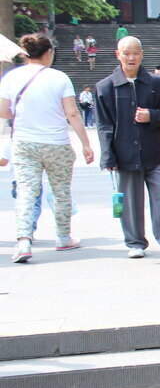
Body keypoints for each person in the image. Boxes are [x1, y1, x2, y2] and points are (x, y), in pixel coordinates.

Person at [0, 33, 94, 262]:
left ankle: (23, 240)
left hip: (24, 143)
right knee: (61, 191)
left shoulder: (11, 78)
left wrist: (19, 115)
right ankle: (63, 237)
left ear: (26, 53)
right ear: (49, 52)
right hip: (56, 143)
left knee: (26, 191)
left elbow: (3, 111)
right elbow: (72, 113)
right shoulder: (59, 78)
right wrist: (85, 144)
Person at [96, 36, 160, 258]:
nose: (131, 57)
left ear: (142, 55)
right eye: (126, 53)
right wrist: (108, 156)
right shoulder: (105, 88)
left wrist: (151, 116)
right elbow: (104, 126)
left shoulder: (158, 84)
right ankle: (135, 242)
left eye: (135, 53)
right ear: (118, 55)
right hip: (124, 153)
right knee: (131, 201)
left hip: (153, 151)